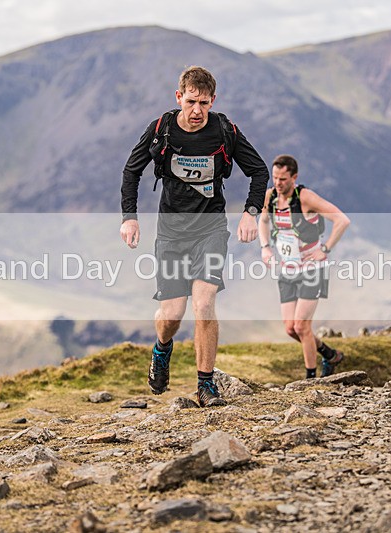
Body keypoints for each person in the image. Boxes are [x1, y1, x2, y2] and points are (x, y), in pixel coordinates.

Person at [120, 66, 269, 407]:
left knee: (203, 303)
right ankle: (161, 350)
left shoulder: (225, 130)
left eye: (204, 102)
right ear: (179, 97)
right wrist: (129, 218)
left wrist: (251, 211)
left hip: (211, 228)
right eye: (191, 101)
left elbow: (258, 171)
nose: (197, 110)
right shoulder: (162, 129)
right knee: (171, 316)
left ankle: (205, 384)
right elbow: (132, 169)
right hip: (172, 233)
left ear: (213, 100)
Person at [258, 154, 351, 378]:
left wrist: (325, 249)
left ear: (294, 177)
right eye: (275, 178)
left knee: (301, 326)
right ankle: (329, 354)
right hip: (286, 269)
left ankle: (310, 379)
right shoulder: (270, 196)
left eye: (283, 179)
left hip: (311, 268)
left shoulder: (306, 197)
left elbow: (342, 220)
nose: (278, 184)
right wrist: (265, 247)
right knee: (291, 329)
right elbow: (263, 219)